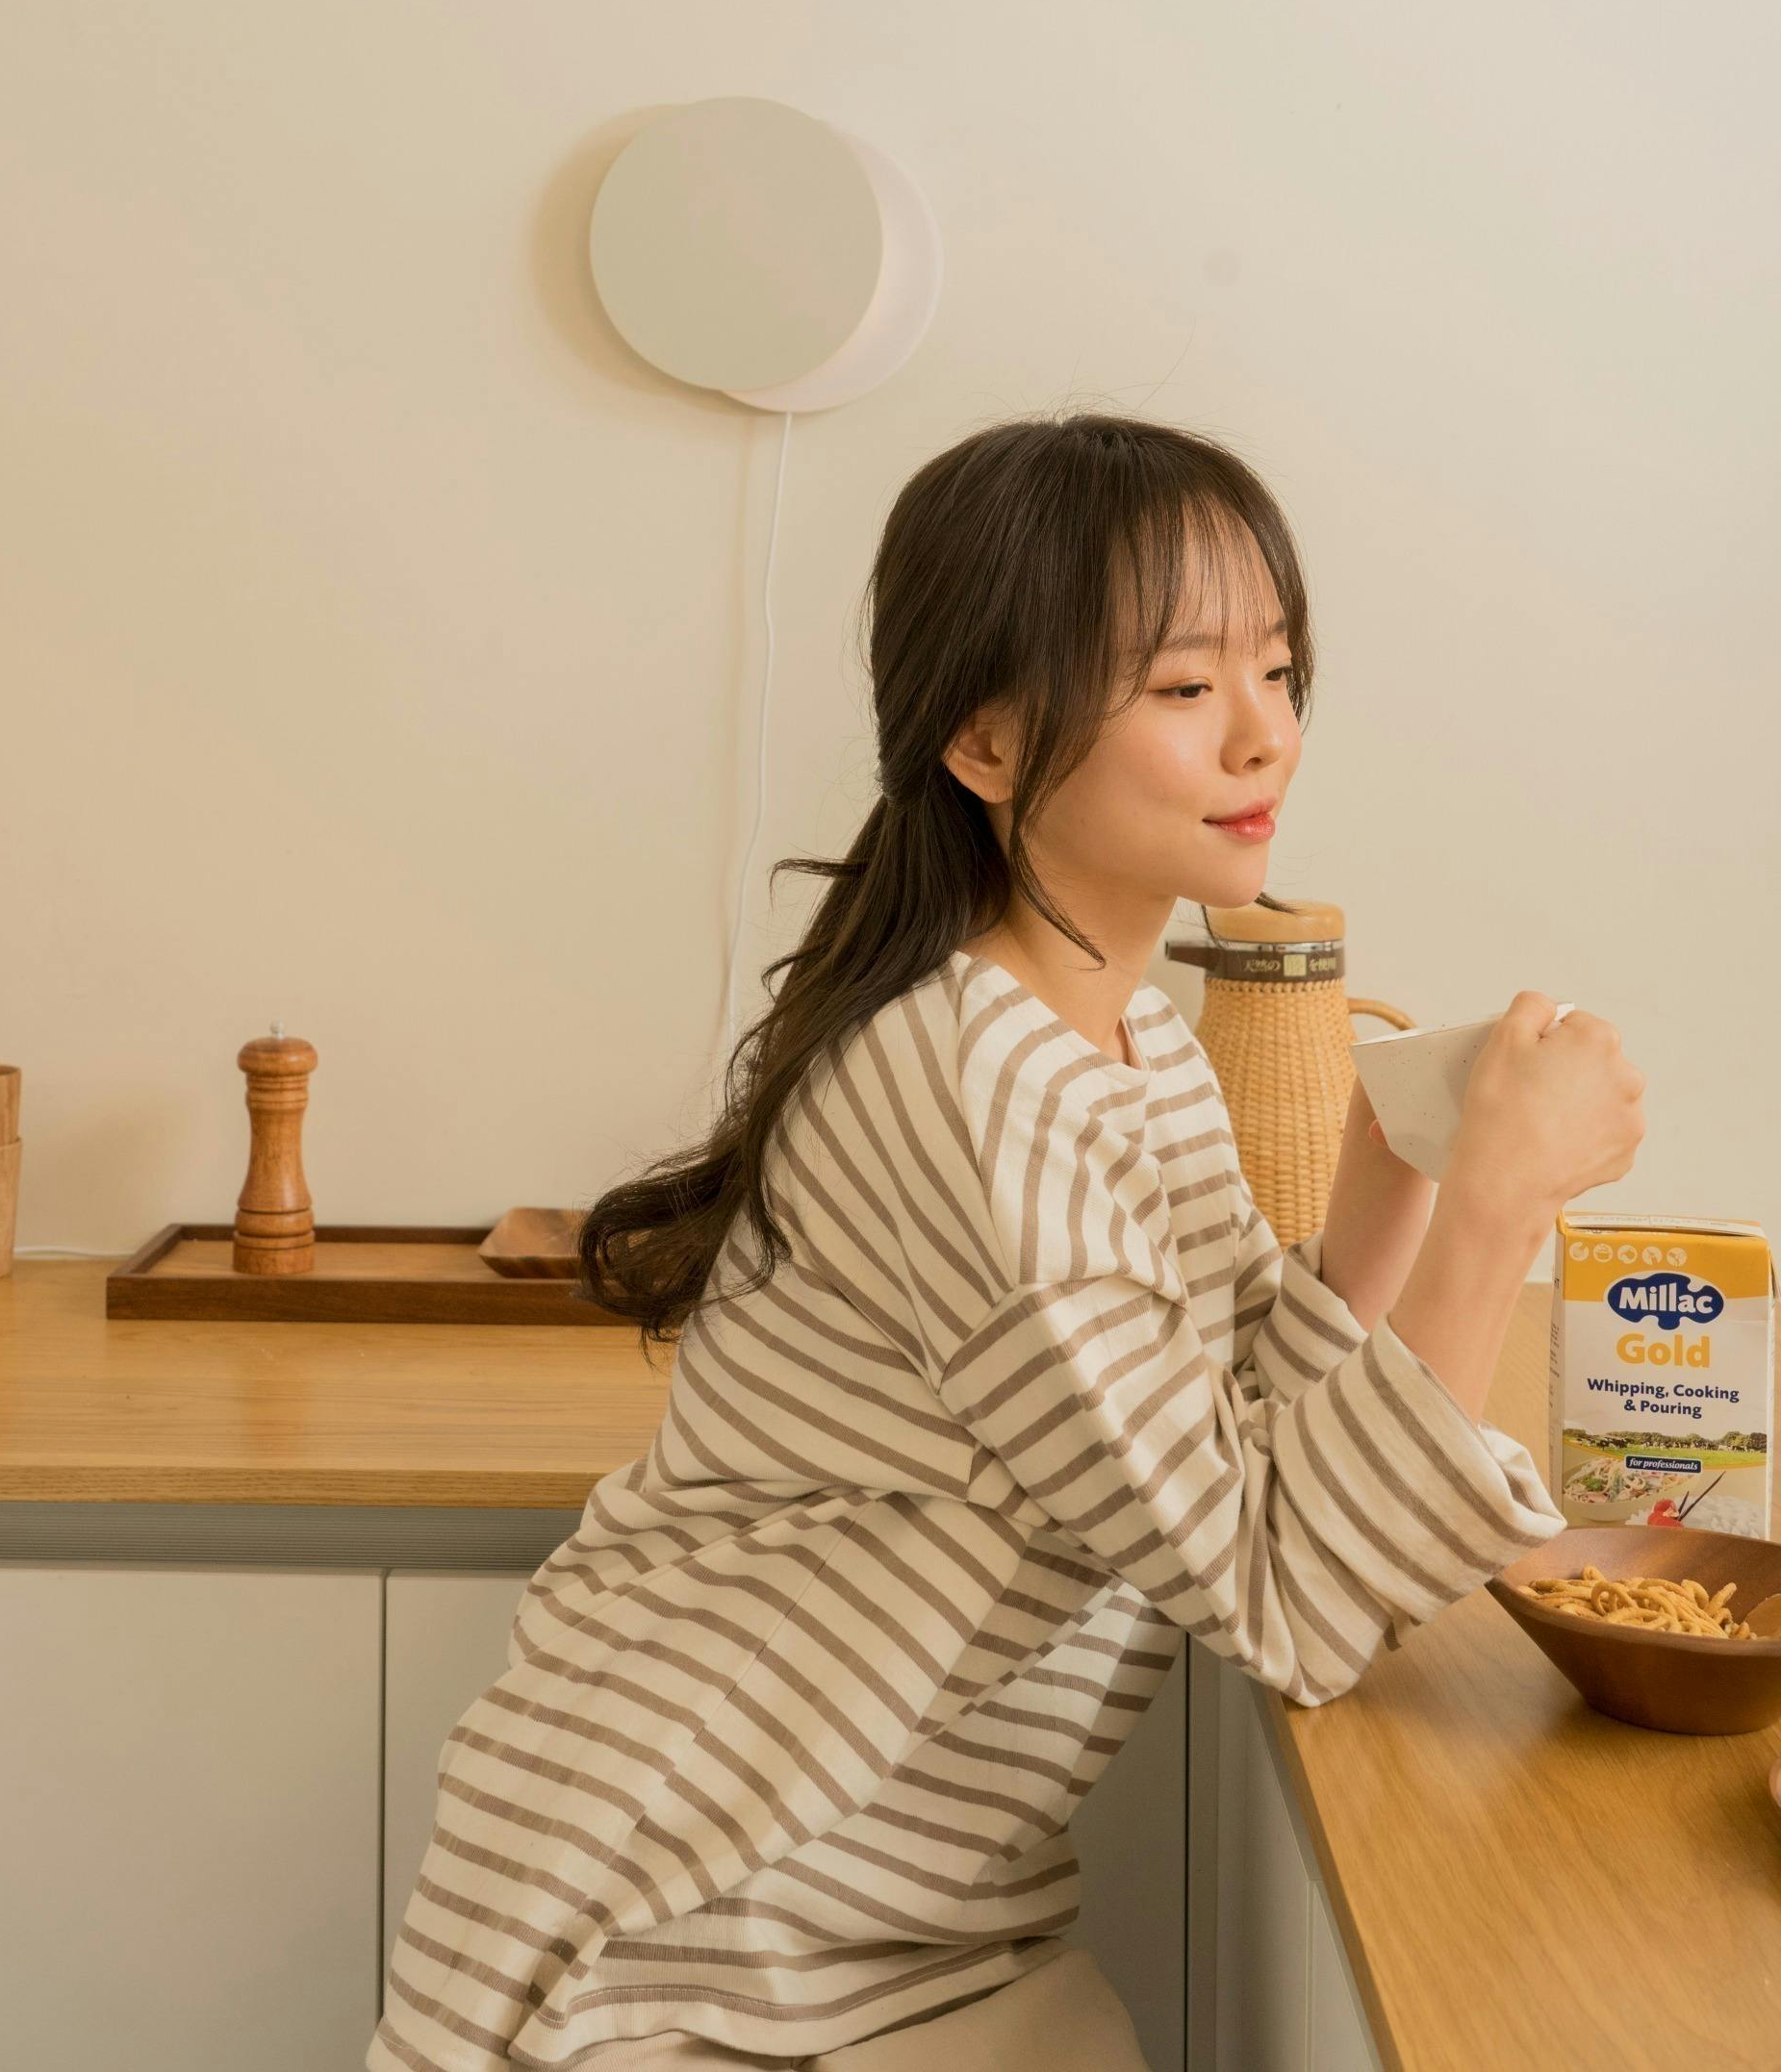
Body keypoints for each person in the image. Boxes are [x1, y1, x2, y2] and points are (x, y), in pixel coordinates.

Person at [369, 411, 1645, 2072]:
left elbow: (1236, 1422)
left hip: (887, 1913)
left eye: (1278, 670)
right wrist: (1500, 1205)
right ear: (984, 740)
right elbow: (1283, 1588)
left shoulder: (1131, 1040)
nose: (1264, 735)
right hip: (700, 1907)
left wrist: (1399, 1164)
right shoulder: (977, 1090)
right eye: (1184, 687)